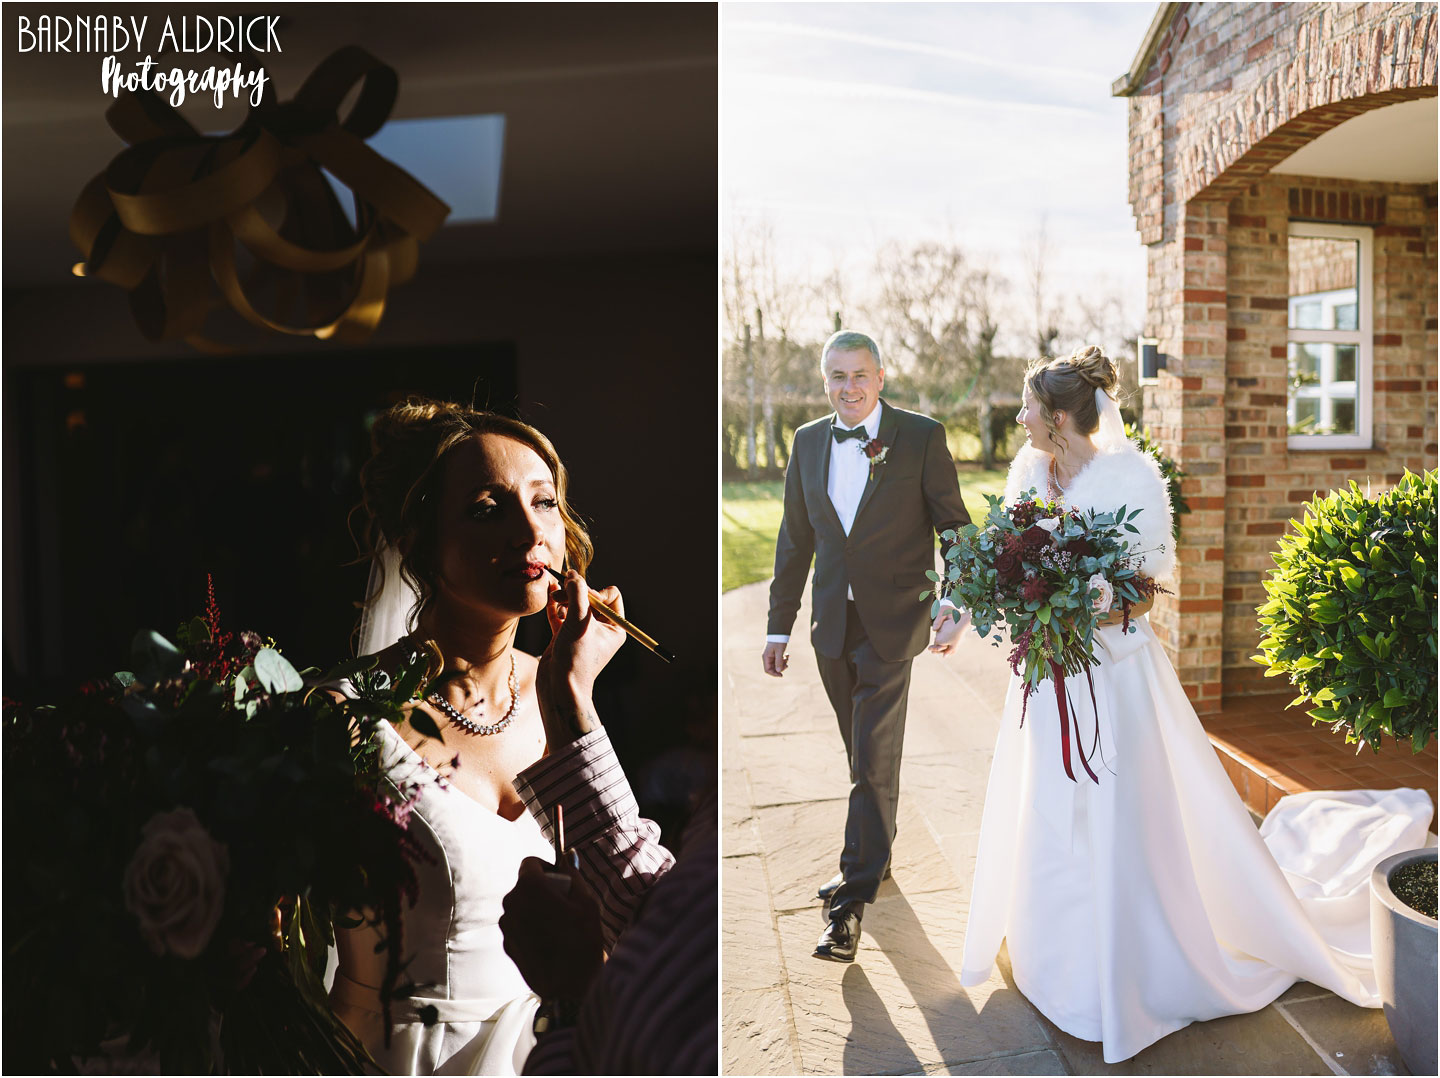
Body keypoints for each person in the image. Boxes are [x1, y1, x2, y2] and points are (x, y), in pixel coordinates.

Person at [957, 346, 1433, 1063]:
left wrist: (1092, 602)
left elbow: (1145, 595)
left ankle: (1125, 971)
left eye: (1027, 406)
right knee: (1050, 807)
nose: (1018, 417)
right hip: (1051, 674)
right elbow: (1010, 562)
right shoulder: (1029, 472)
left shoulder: (1130, 481)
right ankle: (1054, 956)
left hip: (1114, 677)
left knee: (1116, 814)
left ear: (1056, 416)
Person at [327, 398, 671, 1075]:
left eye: (544, 503)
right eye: (488, 509)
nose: (530, 531)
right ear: (420, 540)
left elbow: (625, 910)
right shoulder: (349, 717)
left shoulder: (565, 694)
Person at [763, 329, 972, 963]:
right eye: (837, 376)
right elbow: (795, 539)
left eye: (860, 375)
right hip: (832, 623)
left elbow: (955, 528)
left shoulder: (922, 437)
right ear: (823, 380)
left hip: (894, 621)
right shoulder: (807, 442)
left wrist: (955, 602)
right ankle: (875, 857)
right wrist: (778, 626)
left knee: (874, 758)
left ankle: (850, 904)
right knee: (862, 757)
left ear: (880, 377)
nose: (848, 387)